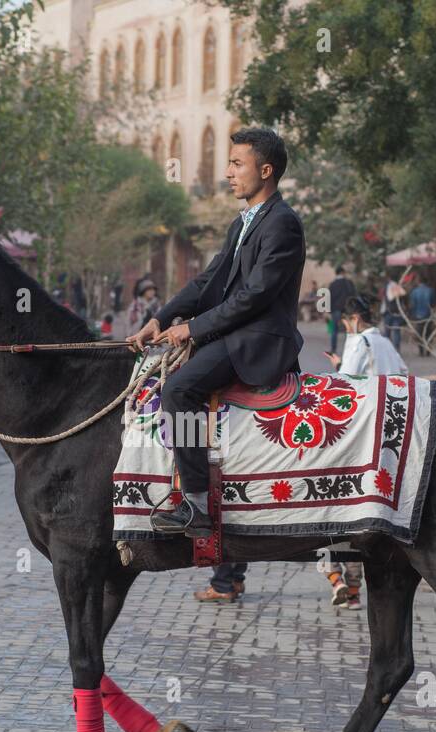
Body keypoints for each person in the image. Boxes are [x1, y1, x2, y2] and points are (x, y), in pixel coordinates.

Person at [128, 127, 306, 536]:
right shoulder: (242, 223)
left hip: (257, 337)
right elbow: (207, 282)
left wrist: (192, 329)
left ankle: (195, 504)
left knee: (178, 389)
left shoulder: (283, 224)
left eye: (236, 164)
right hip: (232, 333)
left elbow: (255, 297)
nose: (227, 172)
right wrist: (162, 317)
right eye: (229, 163)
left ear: (266, 170)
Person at [315, 296, 407, 610]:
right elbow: (404, 374)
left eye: (344, 323)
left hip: (360, 431)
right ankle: (353, 590)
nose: (346, 328)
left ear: (353, 319)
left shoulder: (358, 342)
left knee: (336, 513)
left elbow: (345, 385)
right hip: (391, 427)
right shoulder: (386, 343)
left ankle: (337, 580)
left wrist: (339, 367)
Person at [325, 295, 407, 378]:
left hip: (373, 390)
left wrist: (338, 365)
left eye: (346, 325)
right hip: (392, 389)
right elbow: (404, 371)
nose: (347, 330)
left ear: (355, 319)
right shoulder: (386, 341)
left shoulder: (360, 342)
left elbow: (346, 377)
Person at [326, 266, 357, 353]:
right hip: (347, 310)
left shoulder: (333, 284)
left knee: (334, 330)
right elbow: (353, 295)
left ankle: (333, 349)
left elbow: (329, 298)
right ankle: (349, 348)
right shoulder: (349, 283)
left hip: (335, 309)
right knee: (349, 329)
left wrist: (329, 311)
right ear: (343, 272)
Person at [407, 276, 436, 356]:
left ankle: (421, 351)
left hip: (418, 316)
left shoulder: (414, 292)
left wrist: (411, 316)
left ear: (418, 282)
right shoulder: (431, 291)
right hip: (428, 316)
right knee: (428, 333)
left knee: (419, 334)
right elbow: (434, 305)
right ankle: (428, 351)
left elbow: (412, 305)